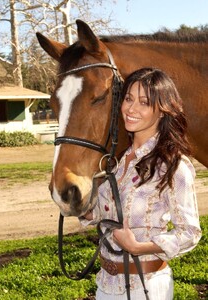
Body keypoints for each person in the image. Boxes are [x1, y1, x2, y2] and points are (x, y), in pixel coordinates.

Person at [81, 67, 201, 300]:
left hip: (145, 288)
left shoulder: (174, 166)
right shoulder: (118, 161)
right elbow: (109, 214)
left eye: (144, 102)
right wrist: (84, 209)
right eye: (128, 99)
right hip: (105, 284)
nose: (131, 109)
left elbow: (189, 232)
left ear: (163, 110)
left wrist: (139, 247)